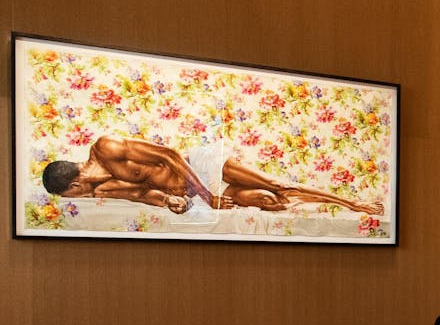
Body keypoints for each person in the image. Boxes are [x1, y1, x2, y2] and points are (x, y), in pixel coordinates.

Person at [41, 135, 384, 215]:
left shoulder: (107, 148)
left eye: (71, 196)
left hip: (203, 168)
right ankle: (322, 205)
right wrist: (170, 201)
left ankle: (351, 203)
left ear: (73, 184)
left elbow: (169, 155)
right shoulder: (102, 188)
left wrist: (206, 194)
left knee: (278, 184)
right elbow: (144, 194)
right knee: (271, 202)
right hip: (193, 192)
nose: (77, 199)